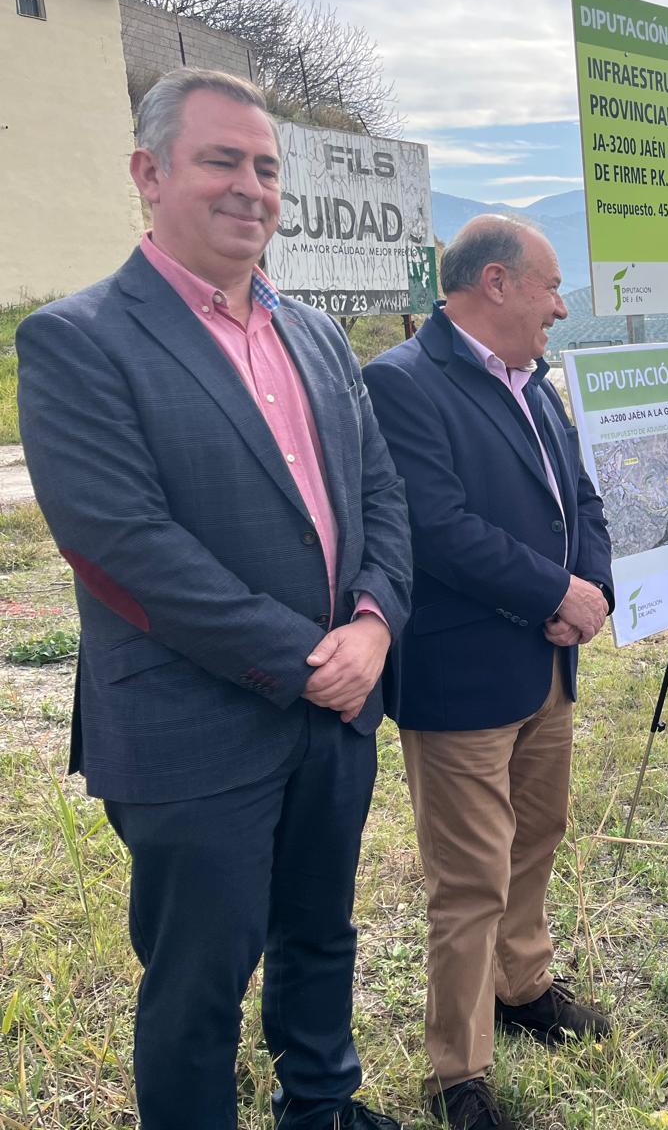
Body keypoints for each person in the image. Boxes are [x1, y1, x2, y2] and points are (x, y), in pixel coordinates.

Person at [16, 68, 412, 1129]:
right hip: (195, 723)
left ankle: (321, 1104)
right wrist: (307, 658)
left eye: (267, 168)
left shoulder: (317, 337)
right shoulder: (79, 340)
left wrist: (373, 623)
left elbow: (377, 495)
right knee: (198, 980)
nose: (252, 188)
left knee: (321, 933)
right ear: (149, 174)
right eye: (221, 161)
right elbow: (121, 544)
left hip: (338, 703)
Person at [364, 215, 614, 1130]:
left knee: (536, 836)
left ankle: (523, 987)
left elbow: (580, 497)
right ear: (497, 283)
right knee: (469, 877)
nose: (560, 305)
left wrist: (593, 589)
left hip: (545, 664)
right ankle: (457, 1075)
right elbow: (434, 524)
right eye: (552, 286)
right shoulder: (401, 383)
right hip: (463, 673)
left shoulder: (535, 383)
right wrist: (554, 590)